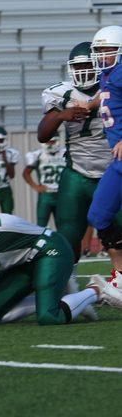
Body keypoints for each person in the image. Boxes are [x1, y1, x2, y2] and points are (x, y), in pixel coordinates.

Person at [86, 25, 122, 276]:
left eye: (108, 50)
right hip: (118, 162)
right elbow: (107, 94)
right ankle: (120, 275)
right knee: (99, 215)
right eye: (99, 50)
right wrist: (90, 103)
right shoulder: (108, 75)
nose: (102, 55)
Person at [23, 136, 65, 228]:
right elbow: (26, 173)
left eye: (52, 142)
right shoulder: (38, 155)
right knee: (41, 226)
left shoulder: (65, 153)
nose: (50, 144)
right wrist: (36, 187)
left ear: (57, 141)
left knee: (63, 226)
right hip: (46, 195)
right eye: (48, 142)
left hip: (61, 195)